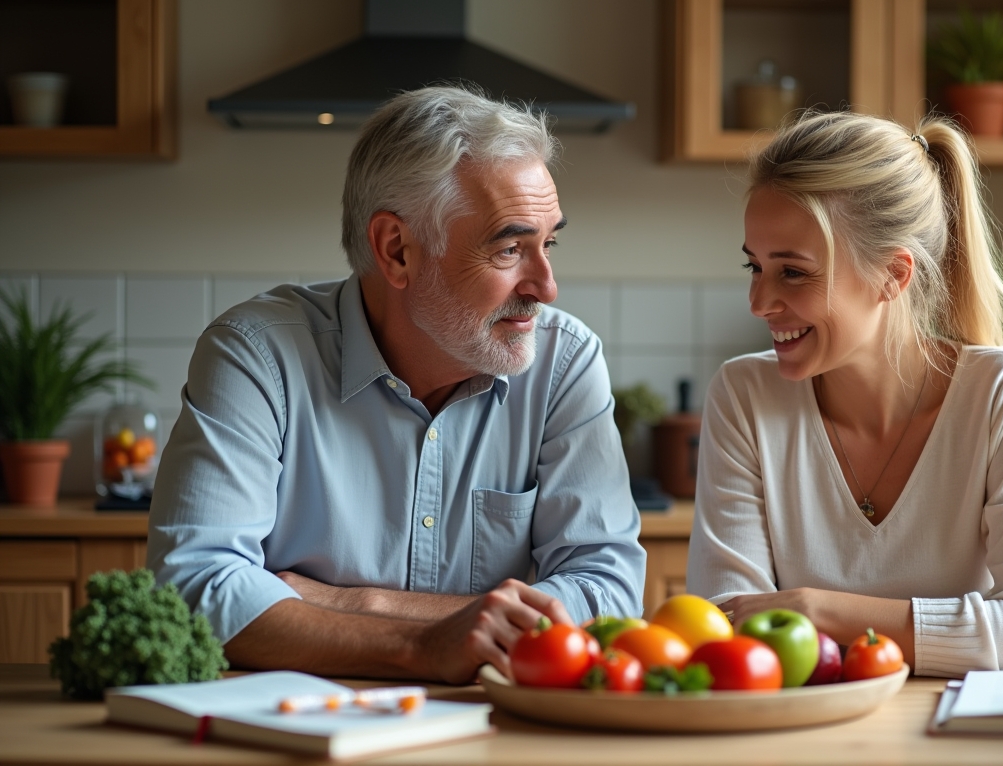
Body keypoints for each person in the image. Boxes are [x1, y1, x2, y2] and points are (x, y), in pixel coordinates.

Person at [149, 87, 645, 684]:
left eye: (549, 244)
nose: (546, 285)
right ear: (397, 250)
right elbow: (194, 587)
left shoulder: (564, 363)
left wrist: (363, 603)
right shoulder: (257, 355)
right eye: (510, 248)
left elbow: (611, 596)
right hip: (301, 731)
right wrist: (421, 648)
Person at [686, 111, 1003, 676]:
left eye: (793, 273)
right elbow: (723, 626)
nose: (759, 302)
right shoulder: (745, 396)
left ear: (893, 275)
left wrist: (819, 609)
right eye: (755, 266)